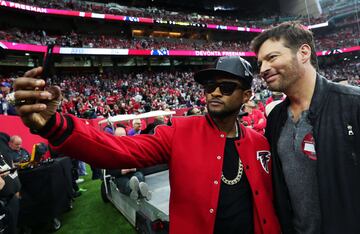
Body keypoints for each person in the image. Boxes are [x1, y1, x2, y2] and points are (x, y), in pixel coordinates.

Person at [13, 56, 280, 234]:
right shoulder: (179, 132)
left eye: (226, 86)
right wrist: (54, 125)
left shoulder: (260, 143)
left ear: (246, 95)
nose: (215, 92)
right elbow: (118, 150)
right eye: (210, 86)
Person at [251, 21, 360, 234]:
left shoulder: (353, 105)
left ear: (303, 52)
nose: (263, 69)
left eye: (271, 57)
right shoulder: (275, 118)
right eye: (260, 63)